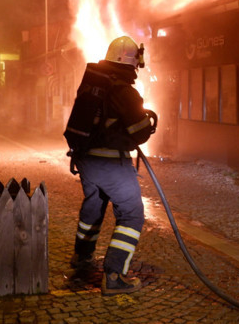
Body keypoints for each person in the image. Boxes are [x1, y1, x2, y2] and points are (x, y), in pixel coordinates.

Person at [67, 35, 156, 296]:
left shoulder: (93, 85)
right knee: (131, 213)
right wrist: (147, 122)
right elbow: (140, 132)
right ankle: (115, 274)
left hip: (85, 159)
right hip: (110, 163)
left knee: (94, 206)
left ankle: (81, 257)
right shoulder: (125, 91)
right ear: (130, 62)